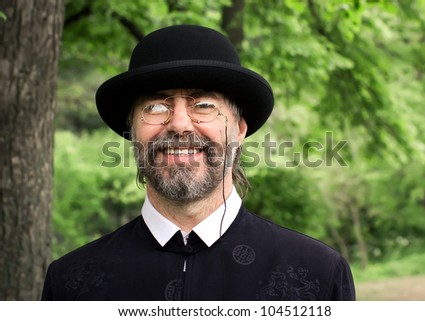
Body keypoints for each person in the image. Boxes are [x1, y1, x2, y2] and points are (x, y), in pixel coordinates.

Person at [42, 25, 355, 301]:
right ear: (132, 129)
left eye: (204, 105)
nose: (179, 124)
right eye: (155, 106)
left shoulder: (318, 275)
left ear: (239, 128)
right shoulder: (71, 285)